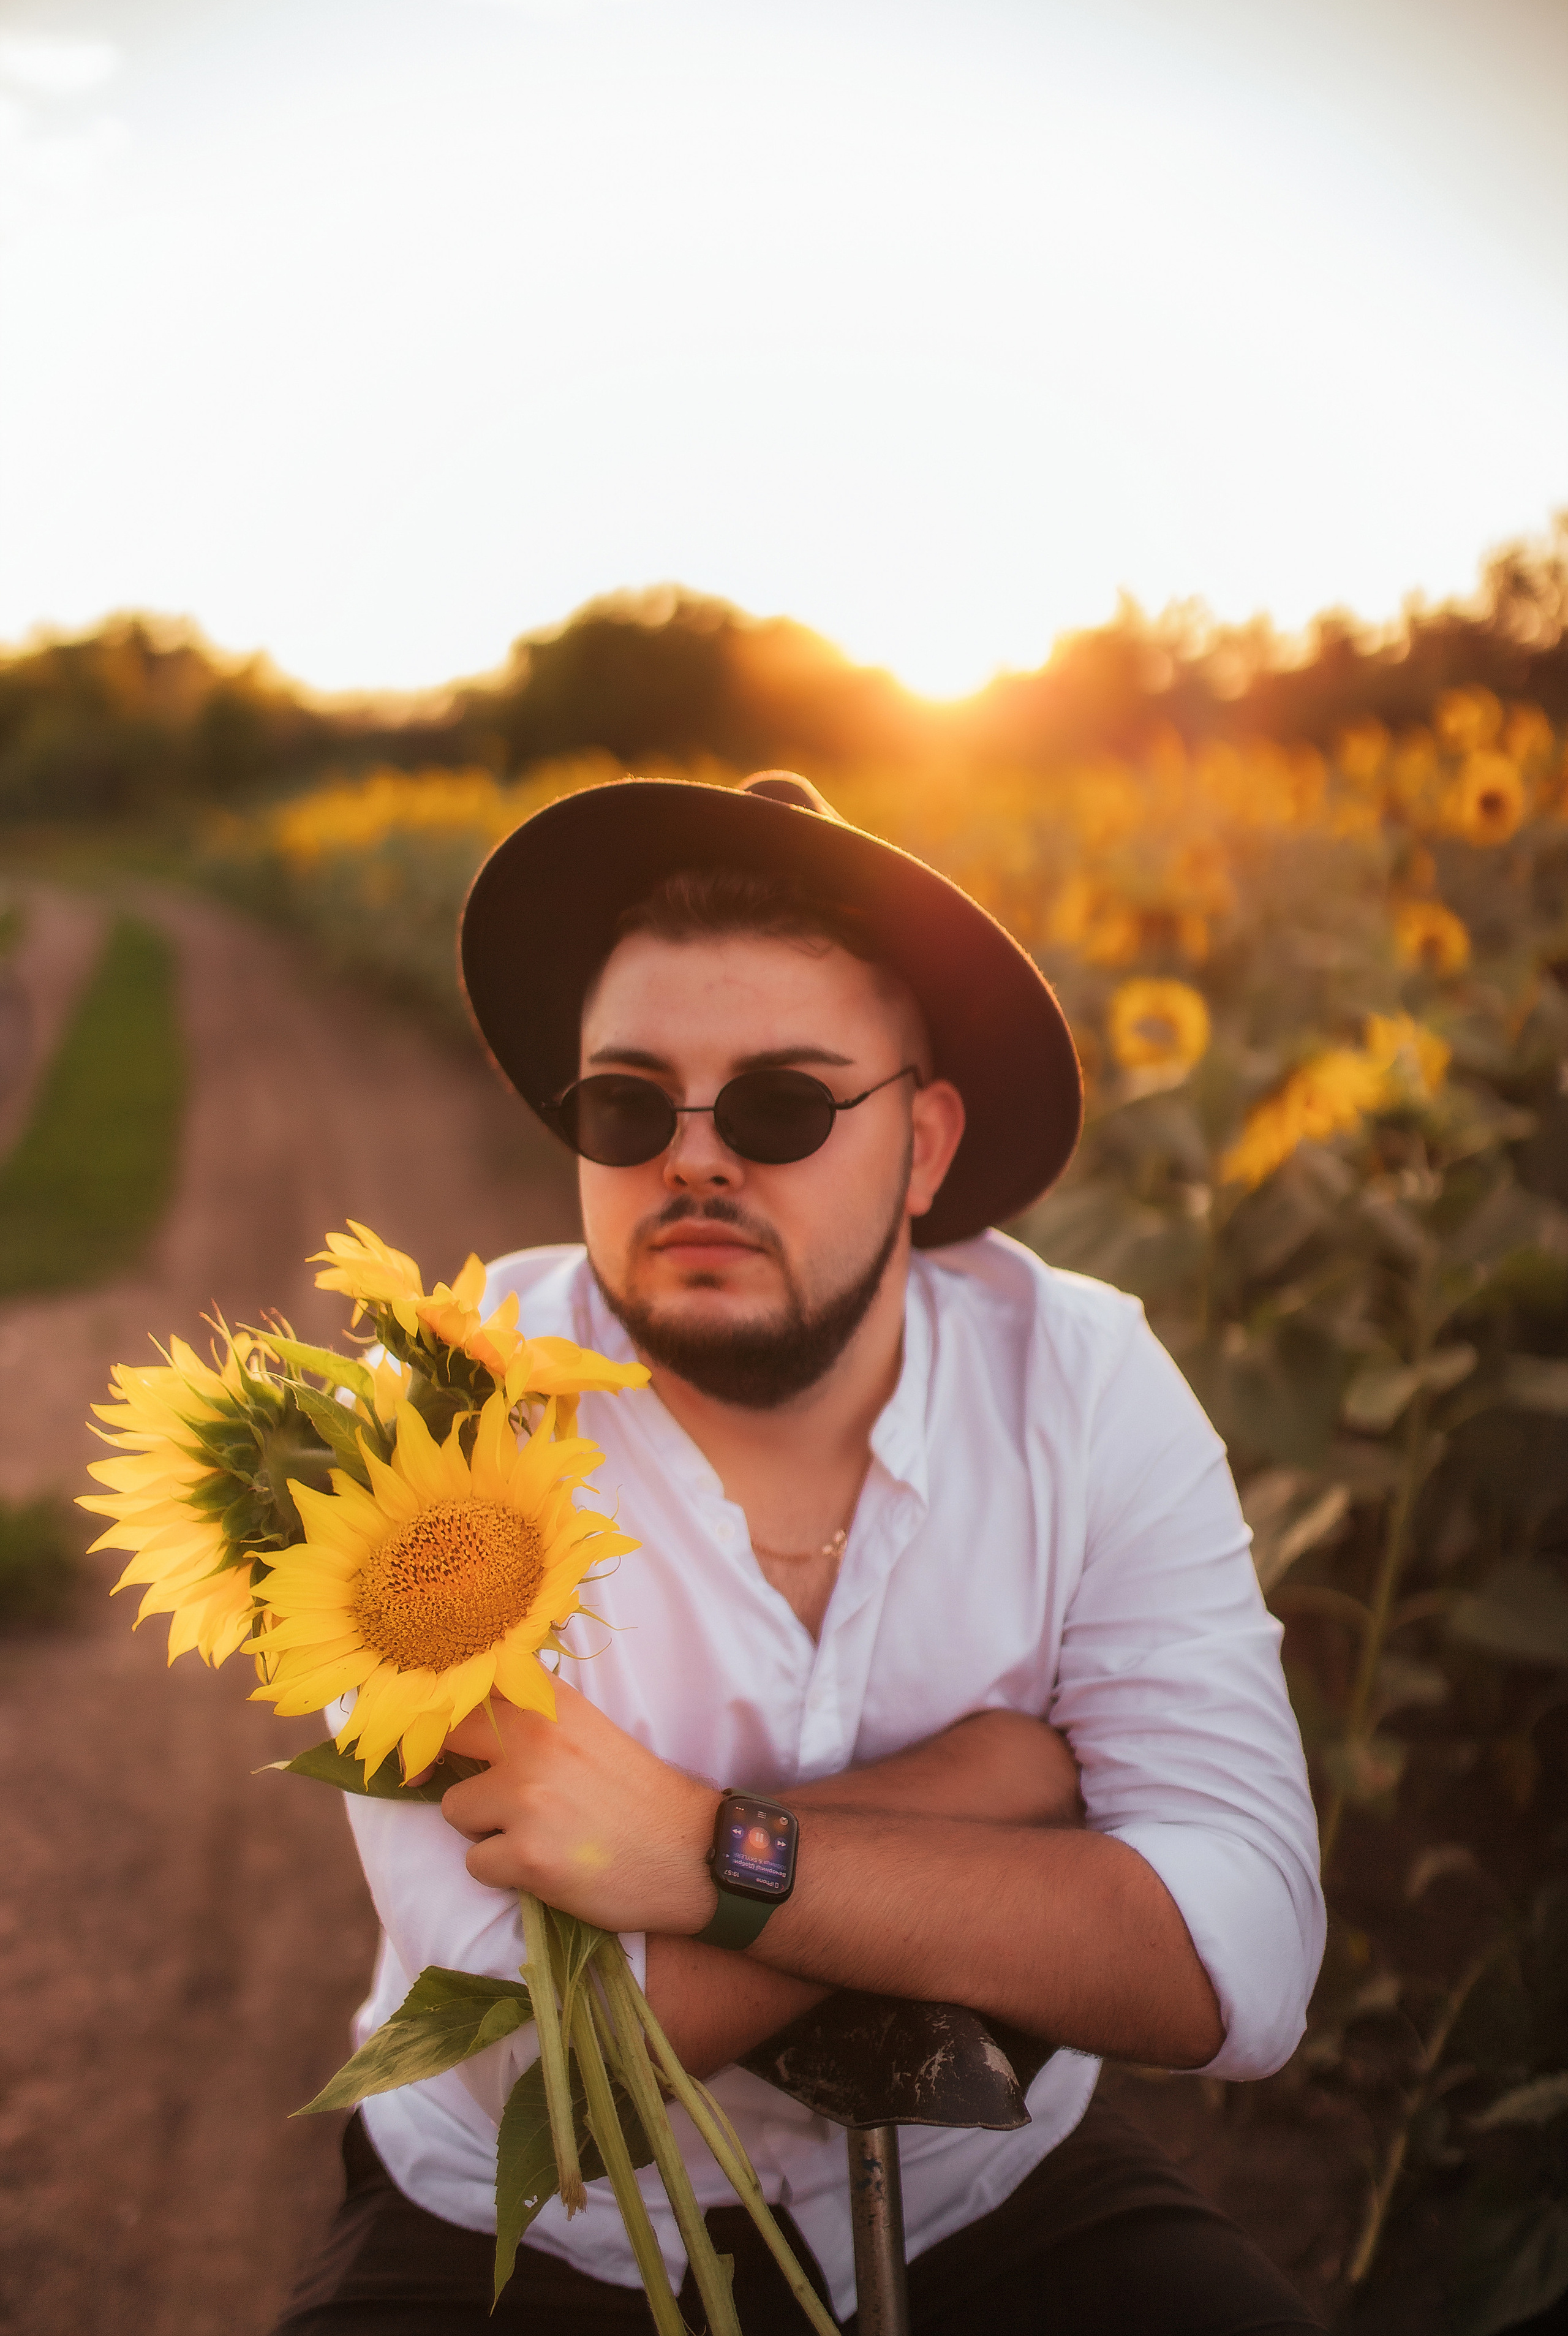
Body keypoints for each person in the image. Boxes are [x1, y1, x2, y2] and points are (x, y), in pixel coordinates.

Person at [276, 772, 1325, 2335]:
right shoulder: (431, 1432)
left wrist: (705, 1850)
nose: (693, 1161)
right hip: (550, 2240)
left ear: (921, 1145)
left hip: (994, 2190)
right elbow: (556, 2073)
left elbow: (1236, 1952)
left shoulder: (1082, 1381)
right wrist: (992, 1788)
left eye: (780, 1104)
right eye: (629, 1103)